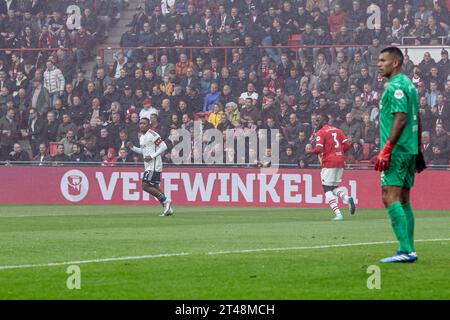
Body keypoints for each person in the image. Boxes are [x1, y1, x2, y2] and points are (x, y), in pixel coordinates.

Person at [375, 47, 426, 263]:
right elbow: (417, 116)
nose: (379, 64)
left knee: (389, 195)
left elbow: (402, 118)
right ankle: (410, 249)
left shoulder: (395, 86)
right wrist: (419, 147)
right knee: (404, 198)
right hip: (409, 149)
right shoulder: (409, 85)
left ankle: (405, 250)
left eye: (383, 60)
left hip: (396, 151)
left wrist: (386, 149)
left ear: (395, 62)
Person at [307, 114, 355, 221]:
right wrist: (339, 153)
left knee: (326, 189)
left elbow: (319, 149)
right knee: (333, 188)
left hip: (329, 162)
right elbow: (347, 145)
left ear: (321, 121)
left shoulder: (321, 132)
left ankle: (338, 214)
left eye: (317, 121)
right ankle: (347, 198)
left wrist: (309, 152)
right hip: (340, 161)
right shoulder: (337, 130)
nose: (316, 123)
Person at [127, 117, 173, 216]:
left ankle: (166, 201)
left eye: (144, 123)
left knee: (145, 185)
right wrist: (133, 148)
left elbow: (164, 146)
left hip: (155, 164)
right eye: (140, 123)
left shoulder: (153, 134)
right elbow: (143, 151)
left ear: (148, 125)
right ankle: (167, 208)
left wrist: (152, 156)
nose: (142, 125)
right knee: (155, 186)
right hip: (148, 165)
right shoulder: (142, 137)